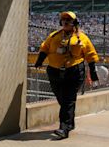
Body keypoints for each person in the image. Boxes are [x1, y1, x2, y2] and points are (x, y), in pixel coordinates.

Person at [34, 11, 99, 139]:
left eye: (68, 20)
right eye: (63, 20)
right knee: (62, 99)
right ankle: (70, 123)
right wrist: (39, 61)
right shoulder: (54, 36)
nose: (65, 22)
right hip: (54, 71)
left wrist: (93, 73)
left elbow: (91, 55)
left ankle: (64, 128)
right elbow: (45, 48)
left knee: (68, 100)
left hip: (74, 72)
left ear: (74, 23)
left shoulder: (82, 38)